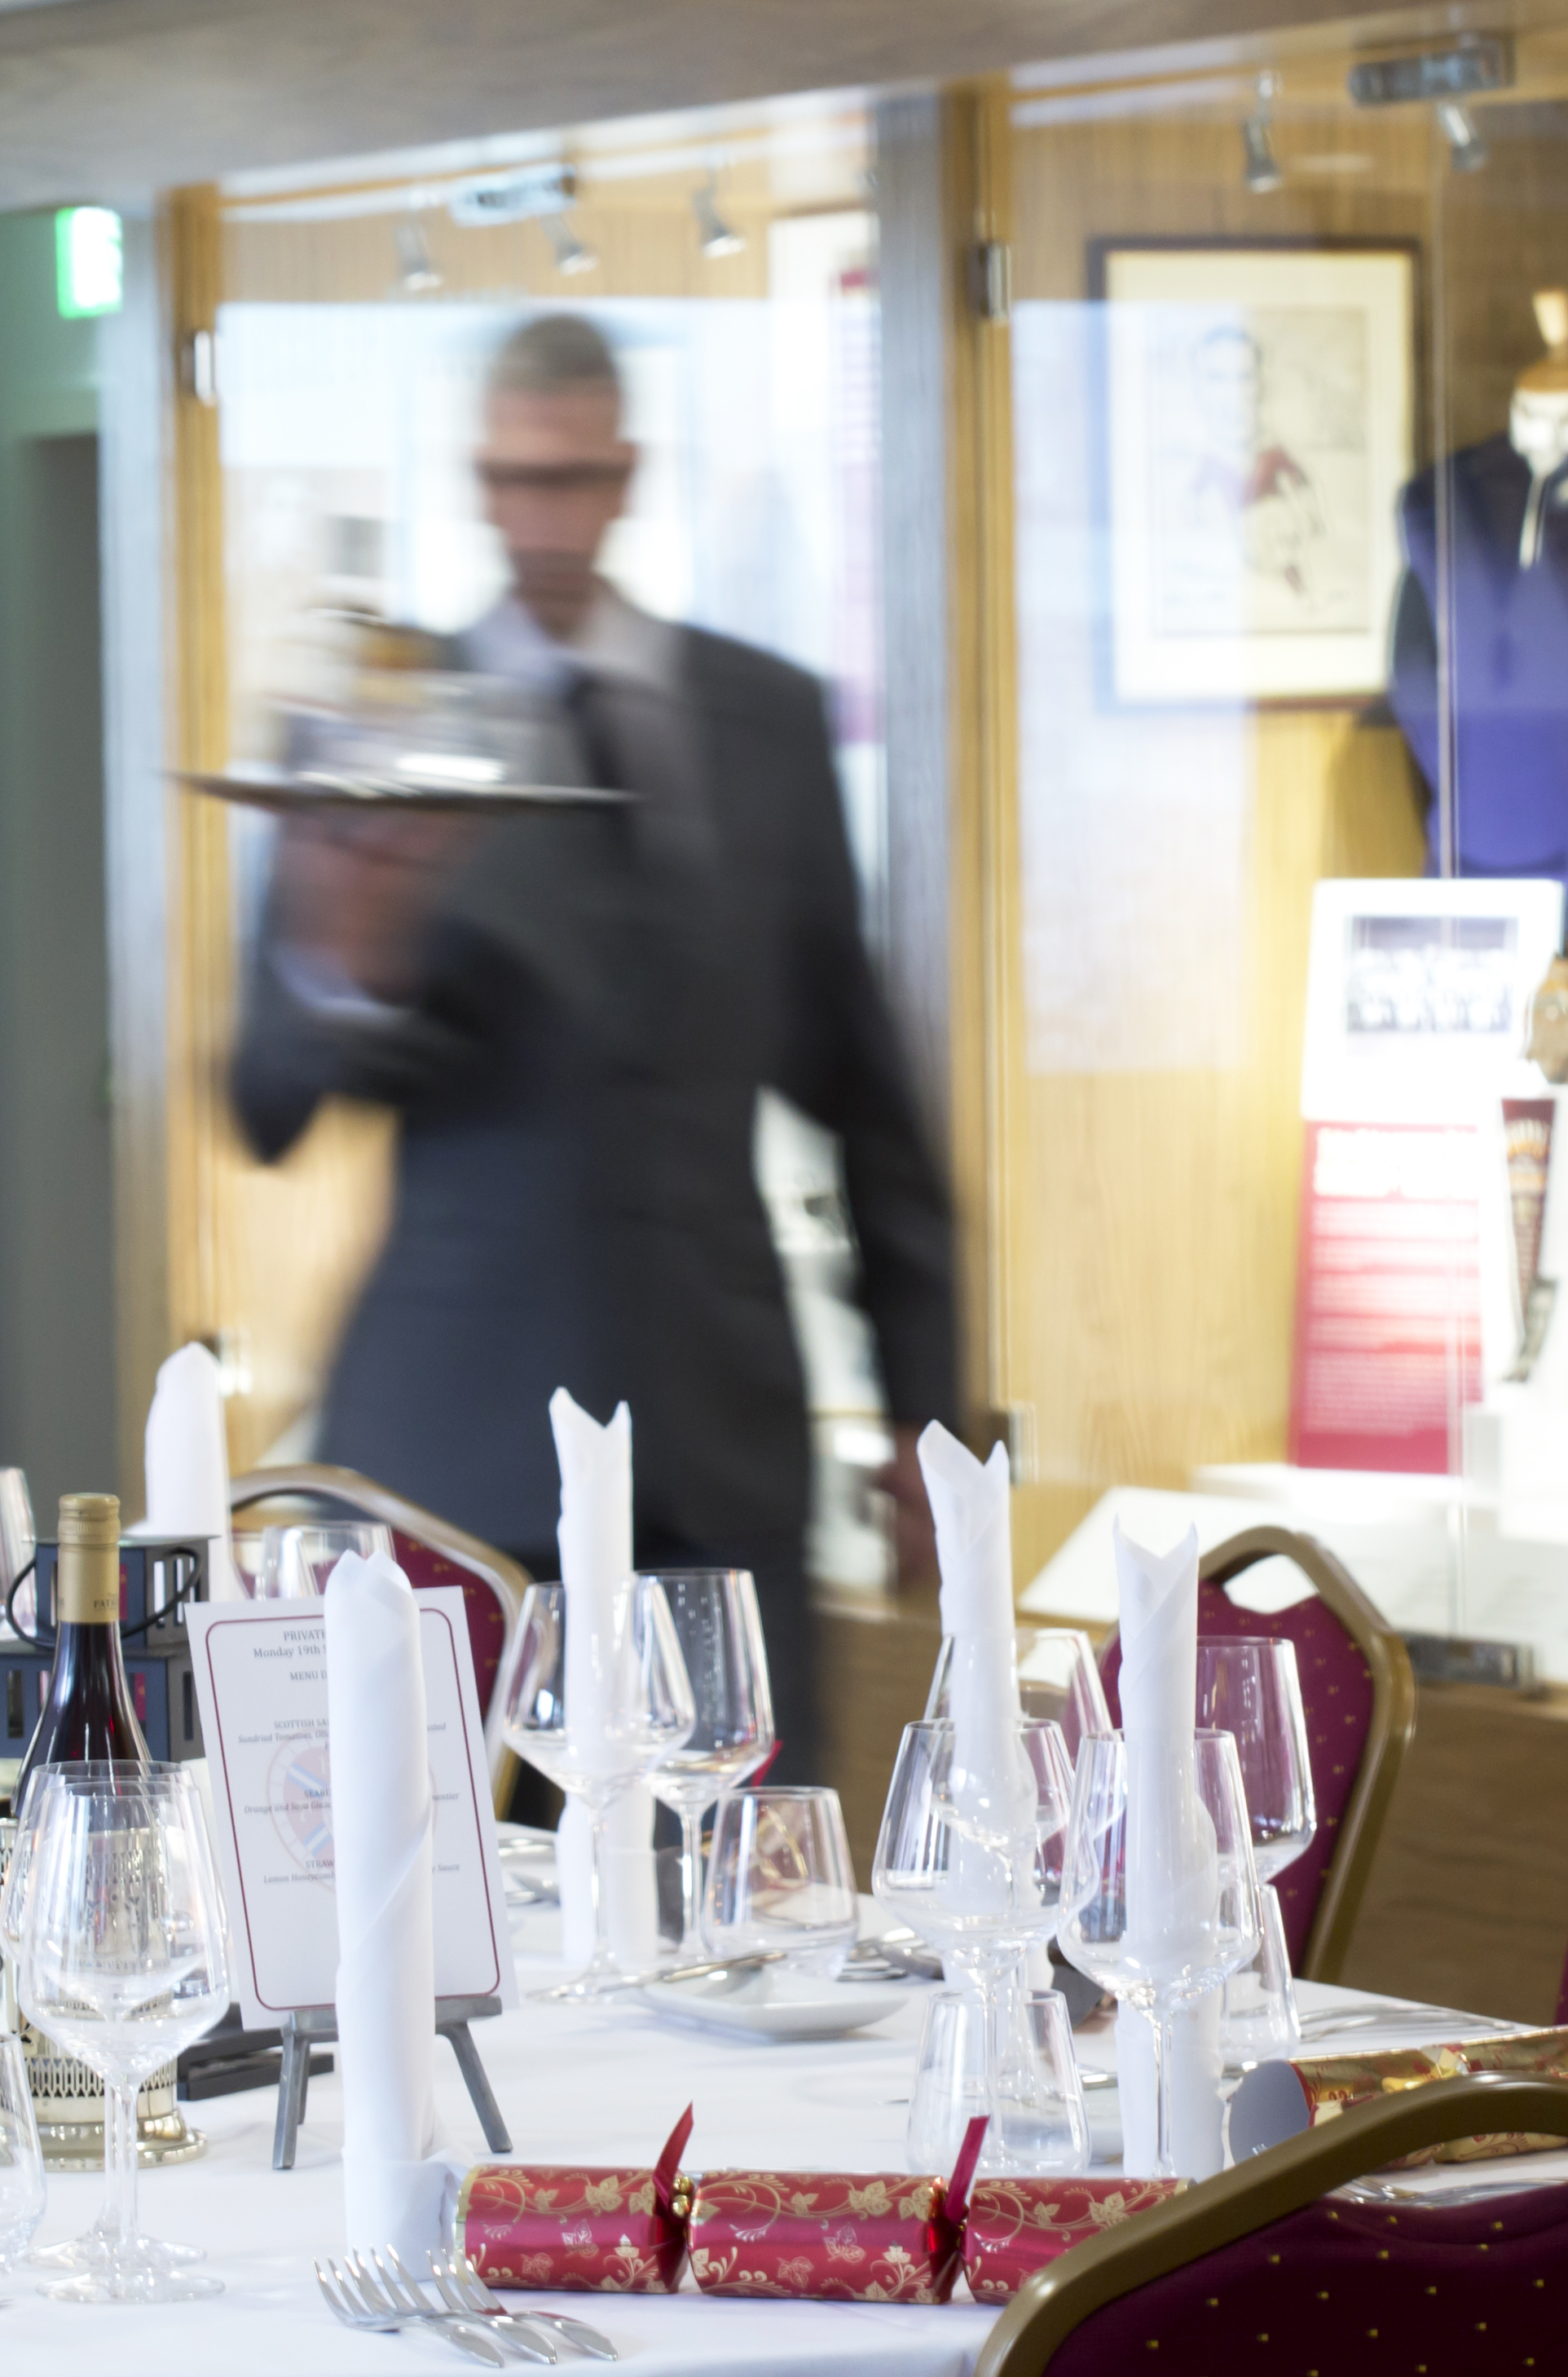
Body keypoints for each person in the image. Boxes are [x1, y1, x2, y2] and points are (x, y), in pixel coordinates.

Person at [230, 311, 959, 1788]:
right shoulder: (382, 709)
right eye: (513, 480)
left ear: (626, 475)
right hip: (454, 1442)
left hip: (717, 1429)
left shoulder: (760, 715)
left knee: (740, 1898)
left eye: (571, 480)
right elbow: (268, 1095)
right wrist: (346, 954)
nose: (541, 518)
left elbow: (865, 1096)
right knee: (422, 1912)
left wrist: (928, 1422)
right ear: (477, 484)